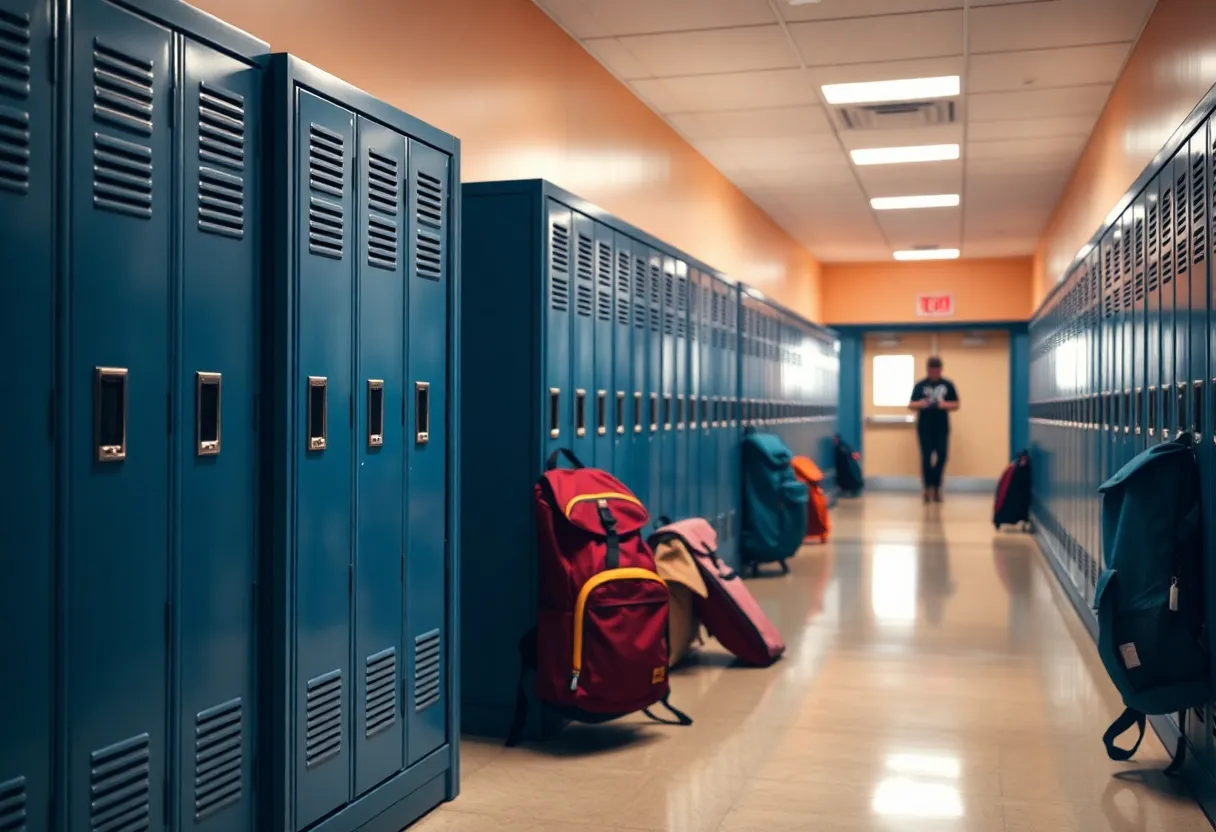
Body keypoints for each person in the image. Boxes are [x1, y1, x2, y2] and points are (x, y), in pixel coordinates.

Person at [909, 356, 959, 503]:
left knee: (942, 457)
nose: (934, 373)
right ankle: (927, 489)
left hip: (942, 427)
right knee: (926, 458)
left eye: (936, 371)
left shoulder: (948, 384)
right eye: (931, 371)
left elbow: (956, 404)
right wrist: (921, 403)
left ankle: (937, 487)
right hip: (924, 428)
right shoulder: (920, 385)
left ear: (940, 370)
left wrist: (943, 405)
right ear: (928, 370)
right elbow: (911, 405)